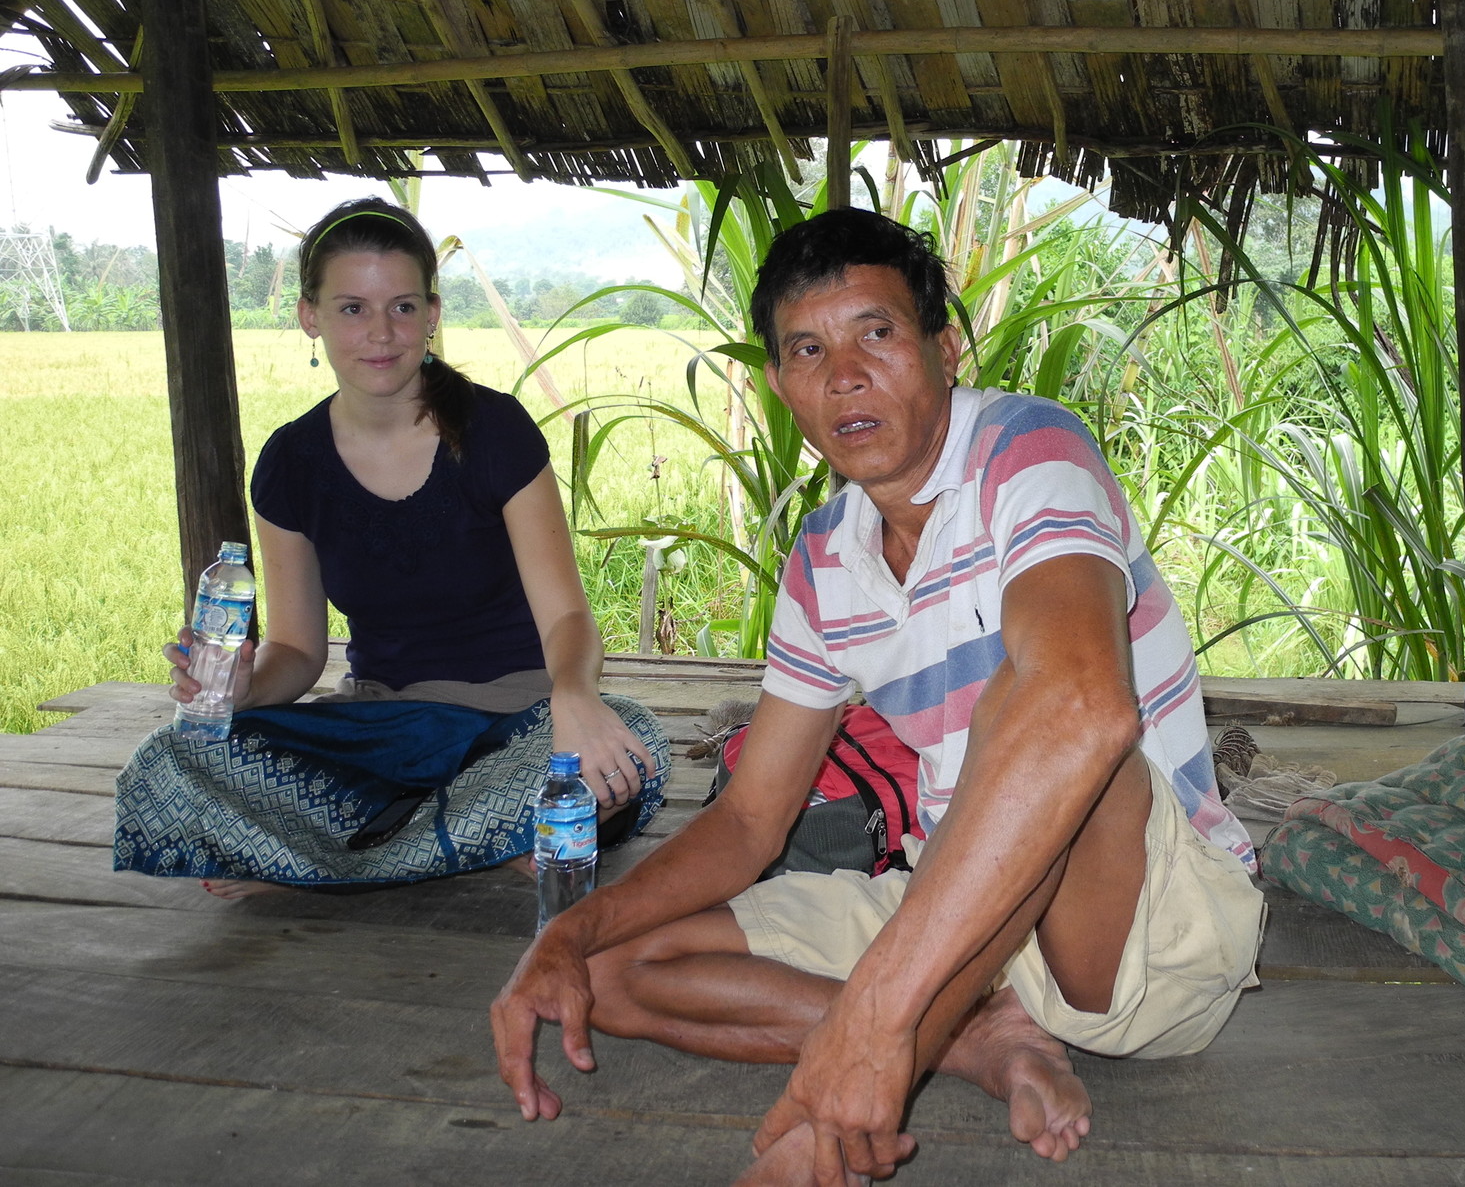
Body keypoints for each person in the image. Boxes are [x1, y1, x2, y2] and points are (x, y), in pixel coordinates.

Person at [489, 208, 1263, 1185]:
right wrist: (569, 930)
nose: (843, 376)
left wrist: (870, 1025)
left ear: (944, 349)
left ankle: (884, 1049)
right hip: (962, 903)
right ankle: (978, 1040)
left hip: (1147, 929)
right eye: (808, 349)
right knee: (609, 980)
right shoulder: (823, 559)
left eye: (877, 334)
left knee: (1035, 714)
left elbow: (1084, 715)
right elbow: (749, 823)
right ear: (780, 385)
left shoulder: (1028, 452)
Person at [114, 198, 670, 898]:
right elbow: (298, 651)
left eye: (402, 307)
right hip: (377, 727)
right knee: (171, 756)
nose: (380, 333)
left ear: (432, 315)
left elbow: (567, 618)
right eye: (351, 308)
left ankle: (329, 860)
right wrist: (238, 689)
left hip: (514, 724)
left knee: (631, 747)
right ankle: (455, 844)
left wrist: (575, 696)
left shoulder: (494, 431)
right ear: (309, 317)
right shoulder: (291, 464)